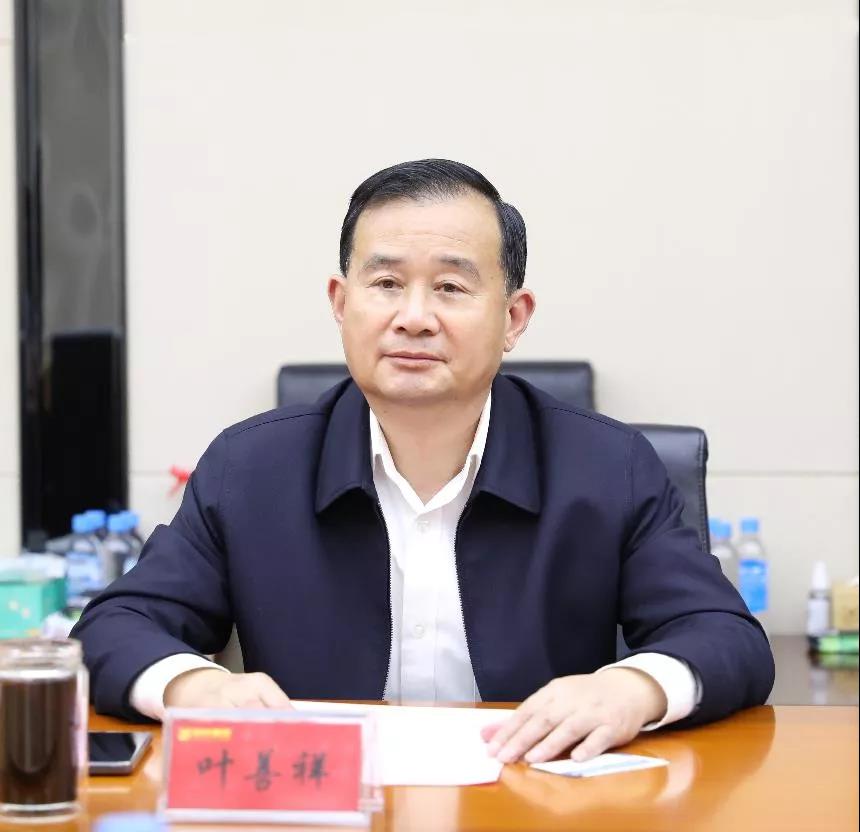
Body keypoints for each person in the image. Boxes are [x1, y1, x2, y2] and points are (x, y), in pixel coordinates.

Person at [71, 159, 774, 765]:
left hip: (538, 801)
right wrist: (196, 686)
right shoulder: (250, 467)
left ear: (514, 318)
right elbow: (114, 626)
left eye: (451, 288)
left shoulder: (609, 466)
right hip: (324, 805)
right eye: (385, 284)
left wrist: (632, 688)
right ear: (340, 303)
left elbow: (725, 637)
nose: (413, 317)